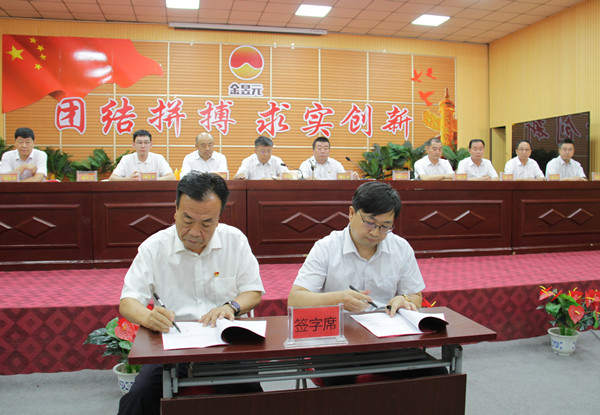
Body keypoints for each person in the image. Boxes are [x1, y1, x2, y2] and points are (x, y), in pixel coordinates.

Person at [118, 172, 265, 415]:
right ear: (175, 211)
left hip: (225, 344)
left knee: (250, 398)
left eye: (206, 223)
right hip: (173, 345)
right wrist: (149, 317)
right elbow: (128, 301)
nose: (195, 232)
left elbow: (252, 291)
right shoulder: (154, 248)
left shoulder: (235, 241)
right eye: (187, 220)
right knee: (138, 398)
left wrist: (230, 307)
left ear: (218, 219)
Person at [288, 181, 443, 385]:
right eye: (370, 222)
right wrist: (338, 299)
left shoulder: (401, 248)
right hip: (336, 338)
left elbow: (415, 296)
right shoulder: (326, 248)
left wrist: (403, 299)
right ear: (352, 213)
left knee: (437, 375)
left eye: (385, 226)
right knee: (341, 383)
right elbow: (295, 299)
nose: (375, 233)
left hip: (385, 339)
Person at [109, 129, 175, 181]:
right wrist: (128, 179)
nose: (143, 146)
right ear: (133, 145)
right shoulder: (126, 159)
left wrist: (150, 178)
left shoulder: (159, 158)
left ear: (151, 145)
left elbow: (171, 177)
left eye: (146, 142)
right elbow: (112, 178)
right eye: (139, 143)